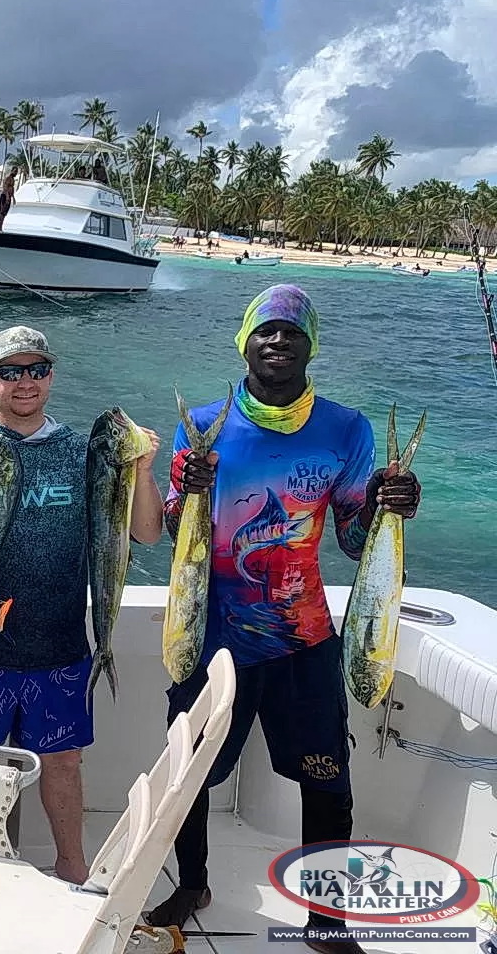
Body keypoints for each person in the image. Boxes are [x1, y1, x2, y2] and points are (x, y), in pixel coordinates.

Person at [144, 285, 422, 954]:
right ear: (245, 341)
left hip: (304, 639)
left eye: (291, 333)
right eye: (265, 331)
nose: (277, 342)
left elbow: (355, 542)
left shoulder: (345, 429)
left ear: (309, 347)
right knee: (189, 777)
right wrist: (186, 492)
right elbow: (179, 528)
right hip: (212, 636)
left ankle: (329, 919)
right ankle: (193, 884)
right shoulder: (204, 423)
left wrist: (394, 505)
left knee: (329, 783)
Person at [0, 326, 163, 884]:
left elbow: (145, 533)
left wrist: (142, 469)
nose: (24, 381)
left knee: (64, 764)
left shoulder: (84, 452)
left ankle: (71, 866)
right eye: (10, 372)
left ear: (50, 377)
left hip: (60, 646)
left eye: (35, 370)